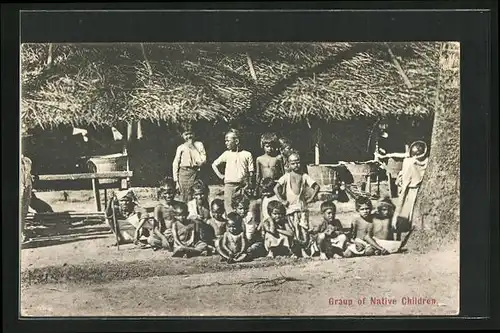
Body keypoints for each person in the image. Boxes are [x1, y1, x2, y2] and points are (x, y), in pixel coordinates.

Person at [274, 151, 320, 258]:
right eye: (293, 163)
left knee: (304, 229)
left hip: (302, 209)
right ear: (288, 165)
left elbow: (316, 187)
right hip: (290, 209)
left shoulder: (304, 176)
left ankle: (305, 250)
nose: (296, 165)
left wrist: (311, 198)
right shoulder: (286, 176)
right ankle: (295, 251)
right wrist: (282, 200)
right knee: (293, 231)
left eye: (298, 162)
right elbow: (276, 188)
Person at [212, 129, 255, 214]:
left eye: (228, 141)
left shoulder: (247, 154)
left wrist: (248, 184)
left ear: (236, 141)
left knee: (243, 208)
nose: (226, 143)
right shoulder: (226, 154)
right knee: (229, 207)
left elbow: (251, 172)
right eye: (225, 141)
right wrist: (220, 175)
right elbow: (214, 164)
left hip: (243, 186)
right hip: (229, 186)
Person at [394, 141, 429, 240]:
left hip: (410, 189)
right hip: (419, 188)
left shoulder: (408, 162)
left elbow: (405, 182)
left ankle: (399, 234)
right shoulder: (428, 161)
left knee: (403, 212)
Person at [172, 124, 207, 202]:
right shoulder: (181, 147)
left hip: (195, 172)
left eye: (190, 133)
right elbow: (175, 163)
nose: (189, 136)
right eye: (186, 134)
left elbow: (203, 157)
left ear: (194, 134)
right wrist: (176, 180)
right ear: (182, 136)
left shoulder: (199, 145)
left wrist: (201, 162)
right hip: (184, 174)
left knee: (197, 192)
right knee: (185, 195)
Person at [149, 177, 182, 251]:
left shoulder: (181, 205)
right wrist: (163, 238)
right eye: (165, 193)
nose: (168, 196)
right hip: (166, 234)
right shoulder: (159, 208)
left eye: (170, 193)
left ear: (175, 192)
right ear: (161, 194)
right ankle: (170, 244)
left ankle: (175, 245)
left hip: (178, 233)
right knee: (151, 240)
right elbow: (155, 228)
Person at [232, 193, 266, 259]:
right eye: (240, 209)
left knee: (254, 247)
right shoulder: (233, 218)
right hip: (238, 242)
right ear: (235, 209)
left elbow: (249, 234)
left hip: (249, 242)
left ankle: (245, 255)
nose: (243, 211)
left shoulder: (249, 217)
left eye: (245, 209)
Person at [20, 154, 33, 243]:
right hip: (20, 188)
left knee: (23, 211)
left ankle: (22, 233)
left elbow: (28, 175)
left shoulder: (27, 161)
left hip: (26, 188)